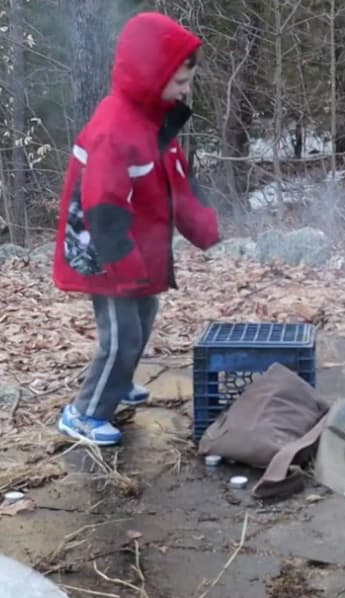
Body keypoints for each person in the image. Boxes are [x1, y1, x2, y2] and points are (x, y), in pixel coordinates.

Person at [52, 12, 221, 445]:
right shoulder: (115, 130)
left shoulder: (153, 119)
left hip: (135, 251)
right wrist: (125, 269)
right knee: (122, 335)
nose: (186, 91)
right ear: (152, 73)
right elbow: (103, 211)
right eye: (180, 82)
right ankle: (84, 413)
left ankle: (118, 380)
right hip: (106, 256)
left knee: (144, 318)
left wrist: (205, 229)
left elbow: (176, 183)